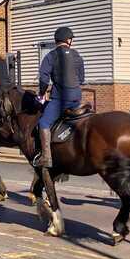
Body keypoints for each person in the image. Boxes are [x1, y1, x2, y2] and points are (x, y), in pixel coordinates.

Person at [35, 26, 85, 168]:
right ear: (68, 40)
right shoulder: (76, 55)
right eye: (71, 39)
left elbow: (44, 79)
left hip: (60, 99)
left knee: (44, 123)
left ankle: (46, 157)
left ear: (57, 40)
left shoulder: (50, 56)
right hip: (76, 98)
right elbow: (81, 79)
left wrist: (41, 93)